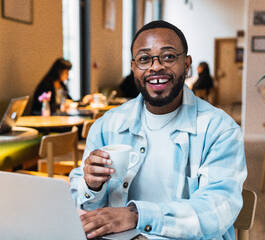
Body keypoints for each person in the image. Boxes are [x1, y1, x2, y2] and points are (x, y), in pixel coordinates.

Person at [69, 20, 246, 239]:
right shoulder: (108, 126)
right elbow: (86, 208)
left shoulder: (219, 129)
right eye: (144, 59)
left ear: (187, 64)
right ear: (134, 68)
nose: (156, 67)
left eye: (169, 56)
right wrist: (91, 185)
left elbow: (218, 208)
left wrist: (137, 215)